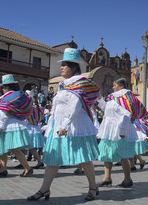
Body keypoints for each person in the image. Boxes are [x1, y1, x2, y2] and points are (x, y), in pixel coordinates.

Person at [28, 48, 101, 201]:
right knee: (53, 159)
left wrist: (65, 126)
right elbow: (56, 108)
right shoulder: (63, 84)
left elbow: (74, 106)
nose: (61, 67)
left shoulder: (78, 83)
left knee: (84, 159)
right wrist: (49, 125)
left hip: (75, 127)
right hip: (58, 126)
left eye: (65, 65)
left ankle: (93, 187)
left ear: (74, 67)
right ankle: (44, 190)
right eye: (61, 65)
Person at [96, 77, 148, 188]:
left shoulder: (126, 98)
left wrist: (122, 130)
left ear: (121, 86)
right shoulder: (113, 98)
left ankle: (127, 179)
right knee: (107, 153)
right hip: (108, 129)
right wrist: (100, 99)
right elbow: (107, 109)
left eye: (115, 85)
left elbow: (126, 115)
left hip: (119, 129)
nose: (113, 87)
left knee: (123, 155)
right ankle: (107, 178)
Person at [0, 74, 33, 178]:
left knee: (9, 149)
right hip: (17, 125)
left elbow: (3, 115)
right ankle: (3, 169)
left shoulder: (6, 99)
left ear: (6, 88)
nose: (2, 90)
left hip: (8, 127)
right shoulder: (18, 96)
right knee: (11, 149)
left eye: (3, 88)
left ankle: (27, 168)